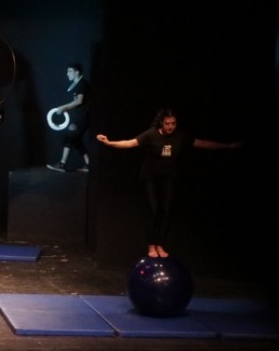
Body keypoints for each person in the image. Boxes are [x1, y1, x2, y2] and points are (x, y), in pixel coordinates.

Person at [96, 108, 242, 259]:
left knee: (165, 211)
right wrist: (109, 143)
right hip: (151, 177)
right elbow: (130, 143)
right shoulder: (151, 135)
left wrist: (228, 146)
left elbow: (202, 143)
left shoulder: (180, 136)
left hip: (168, 177)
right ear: (161, 123)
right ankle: (151, 245)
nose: (171, 126)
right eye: (167, 123)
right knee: (154, 210)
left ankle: (159, 244)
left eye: (173, 123)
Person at [48, 63, 90, 172]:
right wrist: (66, 108)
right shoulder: (78, 84)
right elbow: (77, 102)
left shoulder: (82, 83)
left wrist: (64, 107)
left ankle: (62, 164)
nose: (67, 74)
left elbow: (79, 101)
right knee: (76, 140)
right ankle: (89, 164)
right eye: (67, 71)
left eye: (70, 71)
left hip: (83, 117)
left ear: (77, 72)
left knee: (69, 137)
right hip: (82, 116)